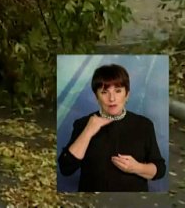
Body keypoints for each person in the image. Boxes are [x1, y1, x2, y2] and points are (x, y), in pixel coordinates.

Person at [58, 63, 167, 192]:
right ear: (96, 97)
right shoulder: (83, 124)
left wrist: (136, 168)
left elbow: (160, 170)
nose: (112, 98)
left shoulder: (144, 125)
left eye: (118, 91)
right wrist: (88, 131)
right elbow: (66, 168)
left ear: (127, 95)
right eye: (104, 92)